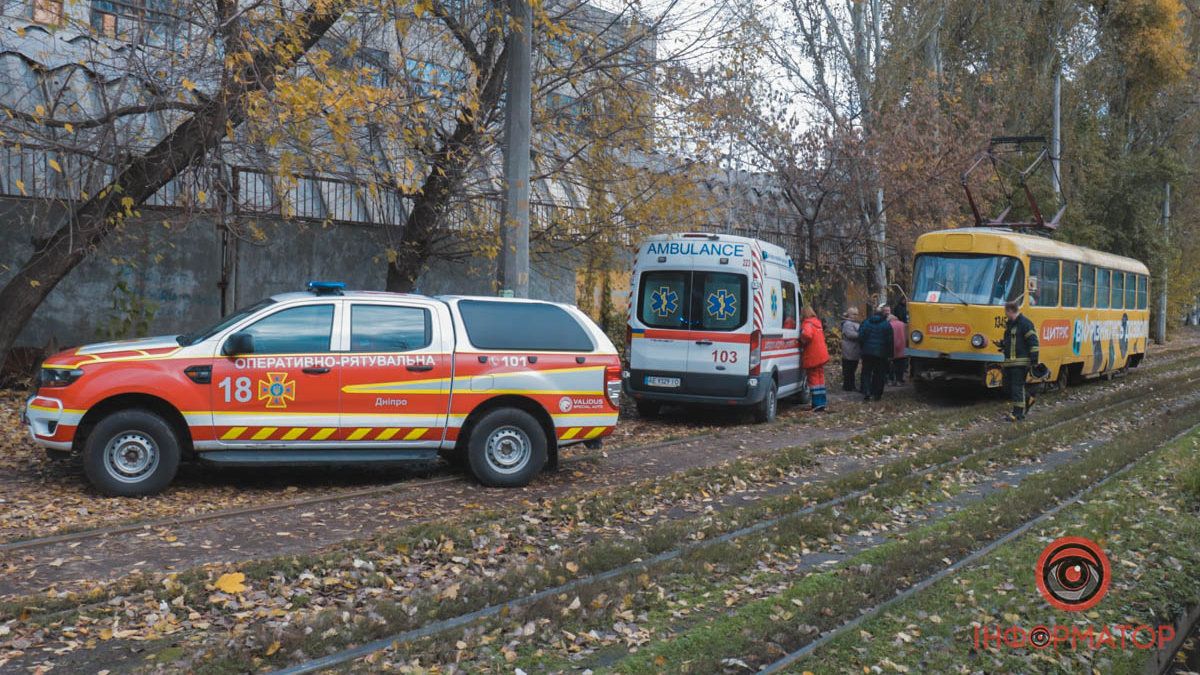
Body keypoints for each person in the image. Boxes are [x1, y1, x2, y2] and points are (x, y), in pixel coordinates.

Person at [995, 300, 1040, 421]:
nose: (1005, 314)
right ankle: (1028, 399)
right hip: (1010, 362)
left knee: (1017, 387)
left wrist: (1034, 361)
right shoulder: (1010, 325)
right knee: (1008, 387)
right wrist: (1003, 344)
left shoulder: (1025, 323)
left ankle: (1018, 414)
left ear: (1010, 311)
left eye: (1006, 312)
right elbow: (1013, 341)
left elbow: (1033, 342)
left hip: (1021, 362)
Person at [858, 305, 894, 402]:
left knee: (866, 373)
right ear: (883, 314)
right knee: (879, 374)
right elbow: (890, 341)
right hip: (881, 354)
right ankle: (877, 394)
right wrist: (890, 354)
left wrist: (863, 348)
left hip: (867, 353)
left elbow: (860, 336)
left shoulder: (866, 322)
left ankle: (866, 392)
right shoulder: (886, 324)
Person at [800, 307, 830, 412]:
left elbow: (806, 335)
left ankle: (816, 404)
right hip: (821, 354)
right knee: (820, 378)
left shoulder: (807, 323)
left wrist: (802, 341)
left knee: (813, 379)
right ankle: (822, 402)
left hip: (813, 355)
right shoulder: (817, 323)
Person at [840, 307, 862, 392]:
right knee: (849, 369)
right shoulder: (848, 324)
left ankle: (850, 385)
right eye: (854, 314)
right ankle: (848, 386)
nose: (856, 316)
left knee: (852, 369)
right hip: (849, 349)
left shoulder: (854, 323)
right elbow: (850, 335)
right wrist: (861, 334)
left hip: (854, 349)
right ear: (849, 314)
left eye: (857, 314)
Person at [886, 306, 907, 385]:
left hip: (892, 348)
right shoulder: (902, 324)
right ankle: (899, 380)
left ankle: (891, 380)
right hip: (902, 348)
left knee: (891, 365)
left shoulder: (888, 325)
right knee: (901, 366)